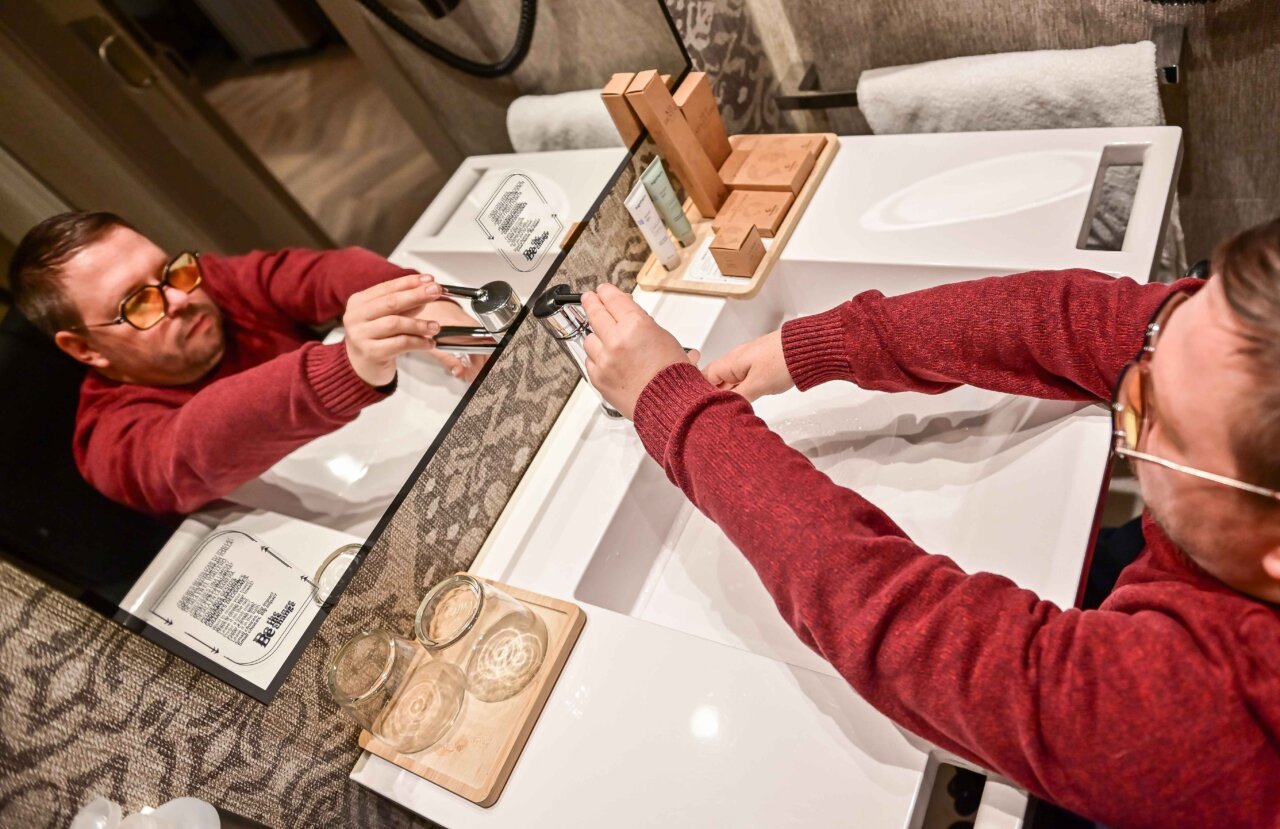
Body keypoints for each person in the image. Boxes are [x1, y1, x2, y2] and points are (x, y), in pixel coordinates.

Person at [578, 217, 1280, 829]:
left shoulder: (1218, 712)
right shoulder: (1246, 348)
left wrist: (678, 413)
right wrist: (820, 345)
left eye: (1152, 418)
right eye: (1162, 332)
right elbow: (1077, 319)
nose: (1131, 374)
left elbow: (917, 628)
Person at [8, 211, 482, 518]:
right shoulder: (109, 442)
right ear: (85, 349)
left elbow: (320, 274)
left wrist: (416, 303)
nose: (180, 298)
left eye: (167, 270)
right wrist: (348, 369)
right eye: (138, 302)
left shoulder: (201, 283)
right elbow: (187, 447)